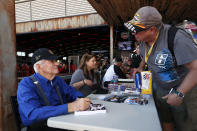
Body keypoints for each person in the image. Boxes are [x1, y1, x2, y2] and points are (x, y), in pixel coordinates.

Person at [124, 6, 197, 131]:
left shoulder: (176, 38)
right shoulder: (142, 39)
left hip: (184, 91)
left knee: (186, 126)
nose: (133, 33)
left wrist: (180, 93)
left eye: (136, 30)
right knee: (165, 120)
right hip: (161, 90)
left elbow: (195, 69)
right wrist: (140, 68)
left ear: (152, 29)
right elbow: (146, 55)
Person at [17, 48, 90, 131]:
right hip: (41, 127)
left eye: (56, 60)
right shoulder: (26, 83)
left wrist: (80, 99)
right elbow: (32, 114)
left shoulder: (57, 80)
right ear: (38, 66)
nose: (57, 63)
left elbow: (72, 91)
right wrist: (70, 107)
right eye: (52, 61)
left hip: (60, 122)